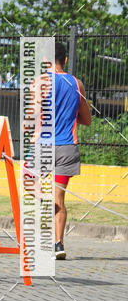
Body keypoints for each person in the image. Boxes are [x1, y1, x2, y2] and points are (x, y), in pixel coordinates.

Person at [51, 41, 91, 259]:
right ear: (65, 59)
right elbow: (87, 120)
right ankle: (58, 244)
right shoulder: (77, 84)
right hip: (67, 146)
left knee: (34, 194)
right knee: (59, 198)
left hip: (42, 147)